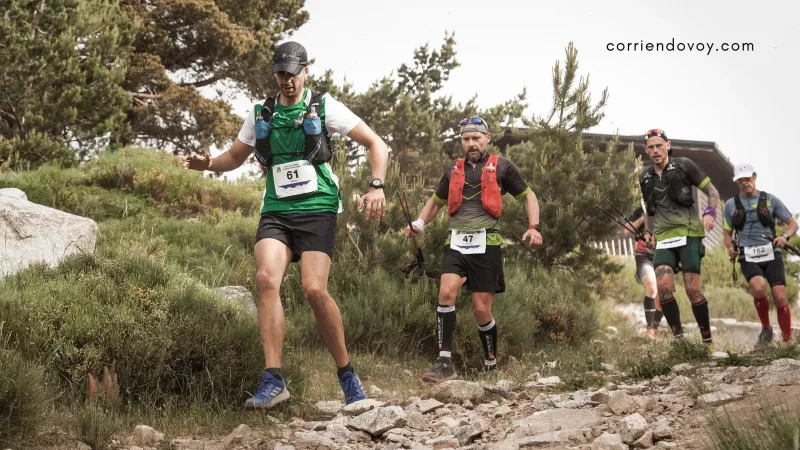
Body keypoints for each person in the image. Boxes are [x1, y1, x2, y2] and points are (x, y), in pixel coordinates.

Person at [183, 41, 389, 408]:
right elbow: (234, 156)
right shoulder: (261, 112)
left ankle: (347, 375)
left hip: (318, 207)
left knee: (313, 290)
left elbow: (377, 144)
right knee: (265, 279)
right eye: (281, 73)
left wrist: (376, 185)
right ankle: (274, 380)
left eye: (293, 73)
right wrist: (208, 164)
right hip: (276, 209)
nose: (287, 80)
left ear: (305, 71)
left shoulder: (324, 107)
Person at [405, 116, 542, 382]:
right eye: (466, 139)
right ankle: (444, 363)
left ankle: (490, 362)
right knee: (446, 293)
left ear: (487, 138)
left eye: (476, 138)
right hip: (455, 243)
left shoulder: (502, 167)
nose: (471, 143)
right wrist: (420, 223)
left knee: (481, 309)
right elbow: (435, 202)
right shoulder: (453, 169)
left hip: (486, 244)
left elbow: (529, 196)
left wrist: (533, 226)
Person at [638, 129, 720, 350]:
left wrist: (710, 213)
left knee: (692, 290)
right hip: (664, 238)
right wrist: (648, 232)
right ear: (646, 150)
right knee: (663, 288)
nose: (655, 150)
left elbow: (712, 192)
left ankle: (707, 342)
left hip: (689, 234)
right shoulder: (644, 177)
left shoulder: (684, 165)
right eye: (651, 147)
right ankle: (679, 342)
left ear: (668, 145)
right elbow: (649, 210)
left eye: (659, 145)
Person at [723, 163, 798, 345]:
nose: (745, 183)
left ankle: (787, 341)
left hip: (772, 253)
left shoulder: (771, 200)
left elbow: (793, 224)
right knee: (758, 288)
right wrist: (730, 248)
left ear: (755, 177)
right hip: (747, 255)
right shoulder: (730, 205)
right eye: (740, 180)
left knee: (780, 296)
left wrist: (784, 237)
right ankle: (766, 328)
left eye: (747, 179)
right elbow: (727, 234)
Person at [623, 206, 664, 338]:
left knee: (663, 295)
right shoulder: (641, 208)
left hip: (663, 254)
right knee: (652, 288)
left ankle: (655, 328)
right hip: (643, 257)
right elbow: (627, 231)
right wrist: (644, 217)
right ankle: (650, 330)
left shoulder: (666, 205)